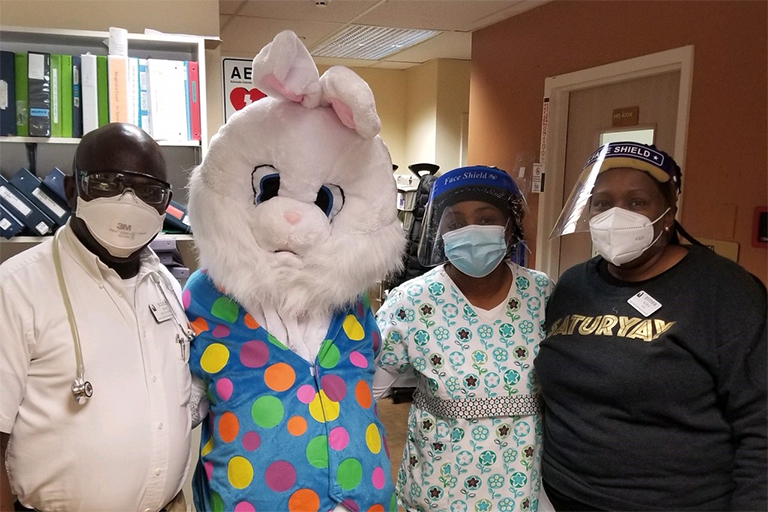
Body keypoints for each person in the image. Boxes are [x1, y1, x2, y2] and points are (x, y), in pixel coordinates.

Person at [536, 141, 767, 511]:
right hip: (560, 493)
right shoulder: (573, 284)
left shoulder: (724, 292)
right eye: (602, 202)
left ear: (669, 214)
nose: (615, 215)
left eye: (636, 202)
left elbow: (760, 421)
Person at [0, 123, 192, 512]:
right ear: (72, 190)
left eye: (149, 191)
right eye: (108, 183)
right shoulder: (17, 288)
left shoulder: (167, 285)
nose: (129, 202)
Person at [374, 165, 553, 512]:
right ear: (439, 232)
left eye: (486, 220)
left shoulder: (542, 295)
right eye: (455, 223)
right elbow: (361, 392)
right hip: (437, 492)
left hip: (522, 494)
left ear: (510, 226)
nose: (470, 232)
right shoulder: (412, 302)